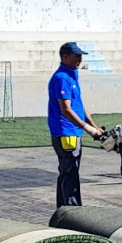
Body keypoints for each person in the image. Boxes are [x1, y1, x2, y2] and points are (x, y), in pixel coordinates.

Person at [48, 42, 103, 207]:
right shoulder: (61, 78)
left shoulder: (72, 75)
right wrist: (88, 129)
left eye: (81, 56)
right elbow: (66, 110)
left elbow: (78, 103)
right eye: (76, 56)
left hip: (73, 131)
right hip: (66, 133)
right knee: (70, 174)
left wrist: (94, 125)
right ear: (65, 57)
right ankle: (72, 211)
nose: (80, 59)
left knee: (66, 173)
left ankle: (63, 209)